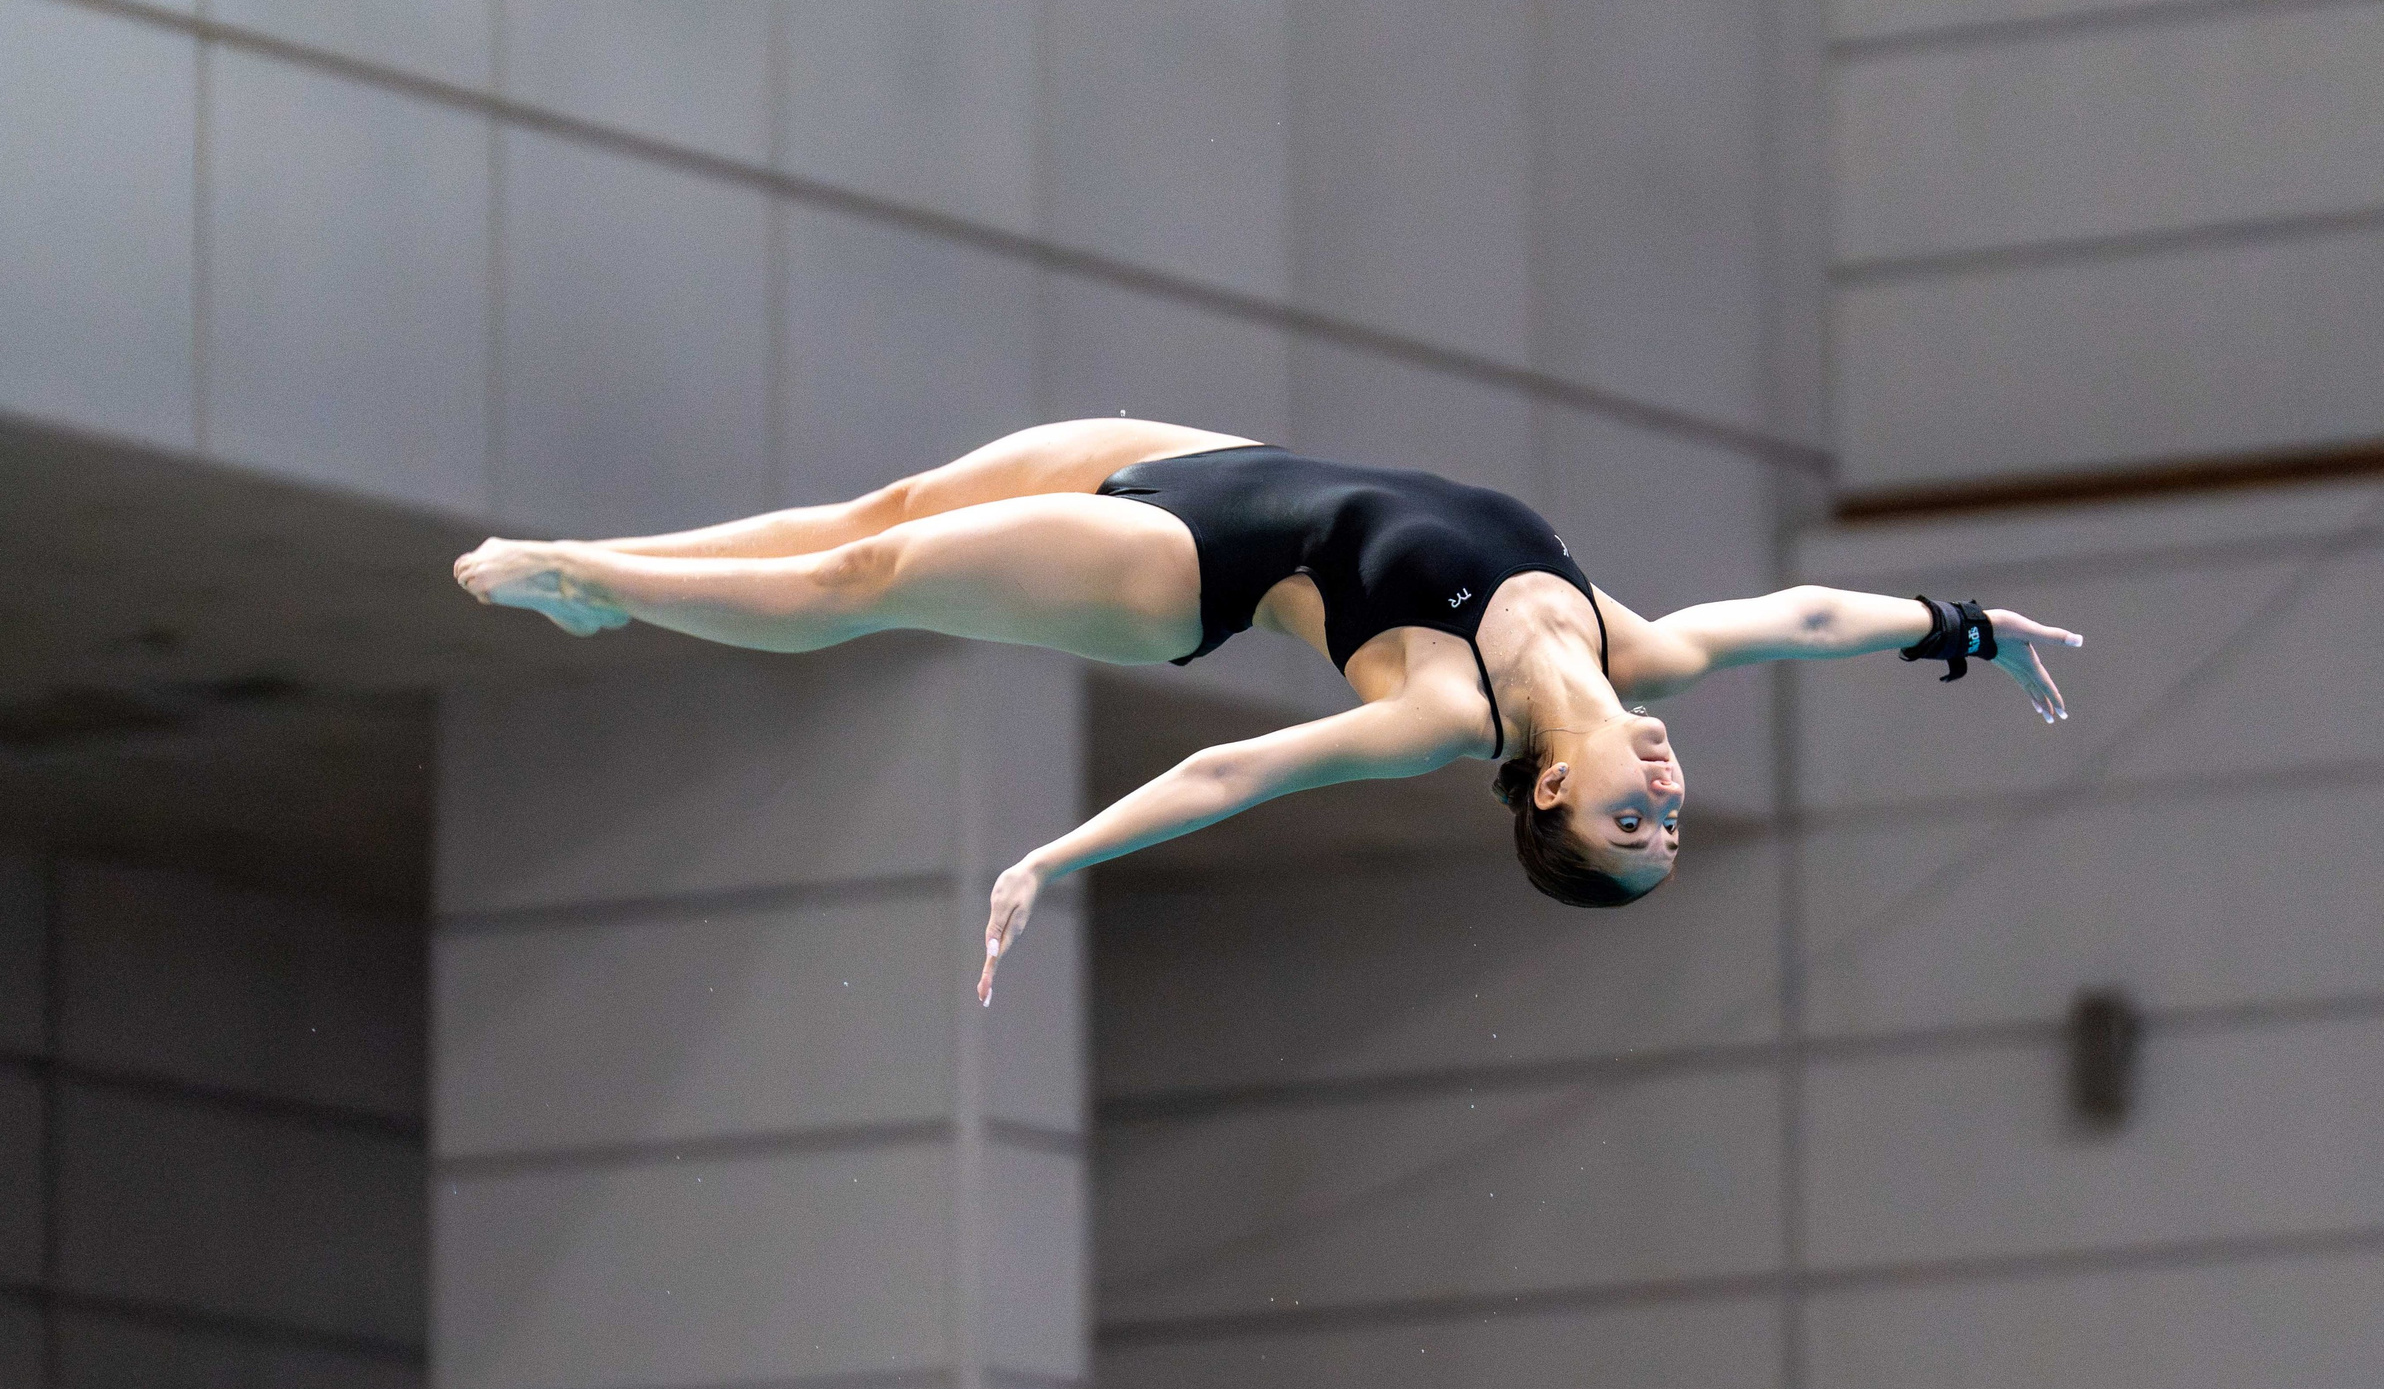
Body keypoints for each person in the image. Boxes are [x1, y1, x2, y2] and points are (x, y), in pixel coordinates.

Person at [453, 417, 2081, 1003]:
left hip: (1183, 568)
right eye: (1664, 820)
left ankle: (581, 572)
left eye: (1627, 824)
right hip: (1220, 457)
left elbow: (1233, 767)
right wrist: (1962, 630)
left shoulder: (1445, 708)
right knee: (882, 500)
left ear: (1539, 799)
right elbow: (1805, 616)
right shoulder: (1643, 653)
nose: (1662, 793)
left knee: (863, 576)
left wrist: (1058, 861)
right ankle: (623, 580)